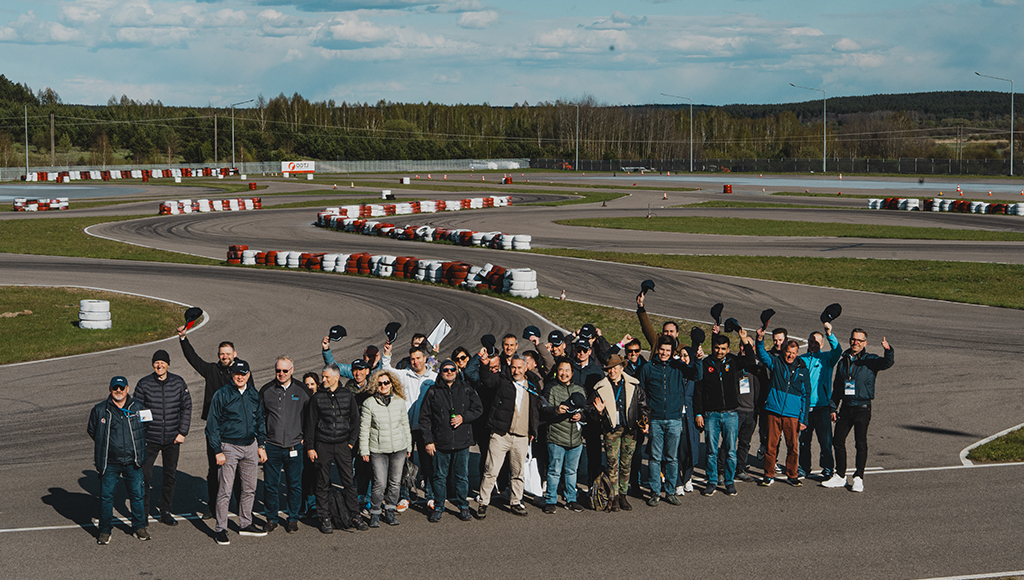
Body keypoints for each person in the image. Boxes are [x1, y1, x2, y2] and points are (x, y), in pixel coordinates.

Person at [177, 327, 250, 518]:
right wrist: (183, 338)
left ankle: (239, 506)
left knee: (237, 470)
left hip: (236, 429)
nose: (224, 356)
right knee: (214, 470)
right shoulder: (211, 370)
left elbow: (251, 399)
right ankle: (212, 506)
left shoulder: (242, 373)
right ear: (218, 355)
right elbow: (193, 359)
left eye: (228, 353)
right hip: (215, 429)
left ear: (235, 354)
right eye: (221, 354)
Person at [205, 360, 268, 545]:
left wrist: (261, 444)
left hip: (250, 446)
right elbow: (212, 424)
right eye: (236, 373)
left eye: (243, 373)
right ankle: (221, 529)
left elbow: (260, 420)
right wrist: (217, 450)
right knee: (225, 490)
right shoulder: (222, 394)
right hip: (228, 447)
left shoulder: (254, 394)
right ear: (231, 375)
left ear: (249, 374)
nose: (240, 377)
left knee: (249, 488)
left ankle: (245, 523)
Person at [824, 330, 894, 493]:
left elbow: (886, 363)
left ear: (865, 343)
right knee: (837, 440)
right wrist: (833, 407)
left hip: (862, 407)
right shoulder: (843, 361)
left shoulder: (870, 360)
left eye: (859, 340)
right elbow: (837, 387)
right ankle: (840, 475)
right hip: (846, 407)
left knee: (860, 443)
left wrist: (888, 350)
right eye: (853, 339)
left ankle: (858, 477)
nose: (855, 342)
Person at [475, 354, 542, 518]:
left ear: (525, 368)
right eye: (513, 367)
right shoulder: (502, 380)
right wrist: (484, 365)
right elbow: (487, 380)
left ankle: (516, 502)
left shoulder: (532, 384)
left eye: (519, 367)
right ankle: (483, 502)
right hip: (500, 434)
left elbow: (535, 409)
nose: (516, 370)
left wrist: (533, 430)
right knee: (491, 470)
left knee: (518, 472)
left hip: (521, 436)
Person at [638, 336, 701, 506]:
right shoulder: (648, 368)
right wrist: (644, 419)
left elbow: (697, 375)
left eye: (668, 350)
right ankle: (655, 492)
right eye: (662, 350)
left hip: (674, 419)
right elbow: (641, 395)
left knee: (672, 458)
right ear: (657, 350)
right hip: (655, 420)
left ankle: (671, 491)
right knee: (655, 458)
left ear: (672, 352)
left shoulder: (678, 366)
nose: (664, 353)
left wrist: (698, 359)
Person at [419, 359, 483, 522]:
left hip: (462, 442)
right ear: (440, 372)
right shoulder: (433, 391)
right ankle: (439, 506)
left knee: (462, 476)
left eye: (452, 370)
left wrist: (464, 417)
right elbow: (424, 418)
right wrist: (428, 441)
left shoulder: (466, 389)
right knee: (439, 476)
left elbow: (478, 409)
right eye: (445, 370)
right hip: (440, 443)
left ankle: (463, 506)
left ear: (456, 371)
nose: (449, 372)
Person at [307, 363, 367, 533]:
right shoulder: (317, 398)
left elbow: (356, 421)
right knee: (322, 483)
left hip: (342, 445)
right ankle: (325, 518)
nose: (323, 379)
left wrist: (350, 443)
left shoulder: (347, 395)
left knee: (349, 482)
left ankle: (355, 515)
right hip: (323, 445)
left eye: (326, 377)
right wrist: (311, 447)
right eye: (323, 376)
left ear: (336, 377)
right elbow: (310, 424)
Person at [88, 376, 149, 545]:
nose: (119, 391)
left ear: (127, 389)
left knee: (137, 496)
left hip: (133, 461)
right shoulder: (99, 410)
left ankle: (139, 527)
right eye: (115, 388)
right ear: (110, 389)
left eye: (121, 388)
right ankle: (105, 530)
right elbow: (92, 430)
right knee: (106, 497)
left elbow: (146, 427)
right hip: (110, 463)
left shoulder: (138, 407)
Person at [694, 332, 755, 497]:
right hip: (711, 414)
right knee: (711, 450)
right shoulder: (706, 363)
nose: (719, 351)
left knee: (730, 450)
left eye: (722, 349)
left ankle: (729, 482)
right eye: (716, 348)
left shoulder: (733, 362)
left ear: (728, 349)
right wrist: (698, 413)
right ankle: (712, 481)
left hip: (730, 414)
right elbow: (698, 390)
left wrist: (744, 339)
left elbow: (750, 360)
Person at [134, 349, 191, 526]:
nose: (160, 365)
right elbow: (137, 409)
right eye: (157, 362)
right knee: (145, 477)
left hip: (173, 439)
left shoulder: (178, 382)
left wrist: (182, 432)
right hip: (150, 439)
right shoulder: (144, 384)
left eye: (163, 362)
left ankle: (165, 510)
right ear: (153, 364)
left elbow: (186, 408)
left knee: (170, 476)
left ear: (168, 364)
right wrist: (143, 433)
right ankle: (142, 513)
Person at [382, 343, 437, 511]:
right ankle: (405, 497)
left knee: (427, 463)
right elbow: (386, 369)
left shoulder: (434, 377)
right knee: (405, 464)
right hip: (405, 427)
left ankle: (430, 496)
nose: (415, 362)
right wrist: (387, 354)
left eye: (418, 358)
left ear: (425, 359)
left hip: (425, 428)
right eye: (412, 359)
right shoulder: (404, 375)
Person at [592, 355, 649, 512]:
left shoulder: (634, 385)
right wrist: (600, 412)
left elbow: (644, 406)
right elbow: (592, 411)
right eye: (610, 368)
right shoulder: (600, 388)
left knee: (626, 463)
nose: (612, 371)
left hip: (630, 429)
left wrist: (645, 421)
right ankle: (614, 496)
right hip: (611, 430)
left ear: (622, 368)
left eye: (615, 368)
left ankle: (623, 494)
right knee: (612, 464)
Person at [259, 356, 309, 533]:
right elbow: (259, 418)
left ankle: (293, 518)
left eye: (285, 371)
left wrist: (306, 438)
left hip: (294, 446)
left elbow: (311, 417)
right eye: (278, 371)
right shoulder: (266, 390)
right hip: (272, 446)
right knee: (270, 485)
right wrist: (261, 442)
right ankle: (271, 518)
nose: (281, 374)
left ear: (292, 370)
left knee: (294, 484)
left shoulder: (302, 391)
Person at [755, 330, 810, 487]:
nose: (790, 355)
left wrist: (804, 419)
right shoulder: (776, 363)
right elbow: (762, 354)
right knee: (771, 446)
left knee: (793, 447)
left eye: (793, 353)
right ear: (784, 351)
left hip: (792, 415)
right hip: (774, 412)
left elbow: (806, 395)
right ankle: (768, 474)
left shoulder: (803, 370)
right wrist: (760, 339)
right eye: (788, 352)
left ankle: (792, 475)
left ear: (797, 353)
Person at [359, 369, 411, 527]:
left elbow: (405, 425)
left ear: (391, 384)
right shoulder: (369, 404)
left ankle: (389, 511)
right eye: (380, 383)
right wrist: (364, 451)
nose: (383, 386)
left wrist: (408, 445)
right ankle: (375, 512)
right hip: (378, 450)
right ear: (376, 384)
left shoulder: (399, 402)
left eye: (386, 383)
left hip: (399, 449)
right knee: (380, 483)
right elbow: (364, 429)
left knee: (395, 482)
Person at [540, 359, 587, 513]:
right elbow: (543, 410)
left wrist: (581, 416)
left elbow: (587, 411)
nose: (564, 373)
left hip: (576, 439)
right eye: (561, 370)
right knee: (554, 471)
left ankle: (571, 499)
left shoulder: (579, 389)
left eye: (567, 370)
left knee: (572, 471)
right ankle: (551, 500)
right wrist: (556, 411)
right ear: (556, 372)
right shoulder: (551, 388)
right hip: (556, 437)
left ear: (572, 373)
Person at [798, 322, 843, 480]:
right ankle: (803, 468)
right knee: (804, 441)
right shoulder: (800, 360)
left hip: (822, 407)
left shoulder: (827, 358)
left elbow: (838, 350)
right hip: (804, 408)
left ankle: (828, 468)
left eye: (816, 342)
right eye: (810, 341)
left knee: (825, 441)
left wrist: (830, 333)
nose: (813, 345)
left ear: (822, 344)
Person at [300, 372, 320, 516]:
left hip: (318, 442)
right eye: (306, 384)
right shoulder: (302, 400)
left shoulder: (319, 400)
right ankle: (304, 504)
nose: (309, 387)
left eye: (312, 384)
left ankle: (314, 504)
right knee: (305, 475)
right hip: (304, 442)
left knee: (317, 475)